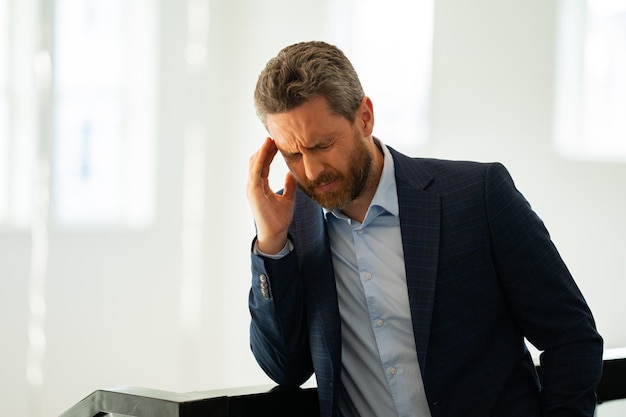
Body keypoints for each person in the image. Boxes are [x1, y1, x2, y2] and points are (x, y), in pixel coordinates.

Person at [246, 41, 603, 417]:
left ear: (365, 117)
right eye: (293, 154)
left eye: (323, 145)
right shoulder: (292, 228)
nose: (312, 170)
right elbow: (284, 368)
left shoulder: (478, 195)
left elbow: (571, 337)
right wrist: (271, 245)